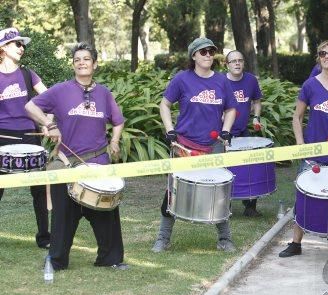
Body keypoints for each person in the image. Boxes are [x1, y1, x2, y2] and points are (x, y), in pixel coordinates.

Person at [25, 42, 127, 270]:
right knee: (62, 216)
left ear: (95, 64)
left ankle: (110, 259)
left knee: (106, 213)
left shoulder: (104, 93)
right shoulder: (60, 90)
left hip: (98, 162)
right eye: (77, 59)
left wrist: (114, 141)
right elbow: (30, 106)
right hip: (67, 164)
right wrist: (49, 124)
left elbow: (118, 121)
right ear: (73, 65)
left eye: (86, 59)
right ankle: (56, 260)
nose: (81, 62)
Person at [152, 37, 237, 253]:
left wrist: (226, 130)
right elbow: (165, 104)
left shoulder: (222, 81)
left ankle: (225, 239)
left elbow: (231, 109)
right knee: (173, 192)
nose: (208, 55)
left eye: (211, 51)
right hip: (184, 146)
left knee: (219, 192)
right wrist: (170, 130)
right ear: (193, 56)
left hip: (213, 146)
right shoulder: (182, 79)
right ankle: (163, 238)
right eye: (203, 52)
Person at [278, 40, 328, 258]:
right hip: (314, 155)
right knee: (304, 198)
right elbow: (297, 117)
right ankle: (295, 244)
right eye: (322, 53)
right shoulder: (310, 85)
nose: (327, 57)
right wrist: (300, 144)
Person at [0, 27, 50, 249]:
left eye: (23, 44)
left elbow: (51, 99)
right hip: (2, 137)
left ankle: (44, 237)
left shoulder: (29, 75)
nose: (22, 48)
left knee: (39, 188)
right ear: (3, 48)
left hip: (30, 136)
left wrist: (49, 122)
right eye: (16, 44)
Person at [225, 50, 263, 217]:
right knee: (225, 169)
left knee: (250, 167)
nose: (237, 63)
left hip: (243, 131)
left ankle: (250, 207)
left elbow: (257, 101)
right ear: (227, 65)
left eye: (240, 60)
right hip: (223, 133)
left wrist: (256, 118)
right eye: (233, 61)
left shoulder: (251, 80)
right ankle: (225, 206)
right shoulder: (220, 81)